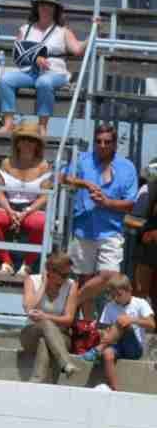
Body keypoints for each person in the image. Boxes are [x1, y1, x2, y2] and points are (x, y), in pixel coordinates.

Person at [64, 121, 137, 315]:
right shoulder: (83, 159)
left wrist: (107, 203)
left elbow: (131, 203)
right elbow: (65, 177)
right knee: (85, 280)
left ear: (114, 144)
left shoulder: (127, 167)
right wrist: (85, 183)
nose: (102, 145)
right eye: (98, 141)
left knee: (109, 276)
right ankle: (87, 329)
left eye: (107, 142)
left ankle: (70, 303)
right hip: (83, 228)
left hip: (111, 230)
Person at [0, 0, 86, 136]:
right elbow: (17, 53)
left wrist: (93, 36)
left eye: (49, 5)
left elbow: (78, 50)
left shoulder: (62, 31)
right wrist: (35, 58)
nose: (45, 8)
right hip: (29, 72)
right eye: (42, 4)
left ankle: (42, 126)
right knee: (6, 80)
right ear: (36, 7)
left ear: (55, 9)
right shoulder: (25, 29)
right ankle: (8, 123)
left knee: (44, 82)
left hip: (54, 72)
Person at [0, 120, 51, 276]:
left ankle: (27, 265)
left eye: (32, 139)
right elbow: (0, 192)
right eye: (24, 139)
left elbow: (45, 196)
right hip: (7, 207)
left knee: (43, 222)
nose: (27, 143)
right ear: (17, 143)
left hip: (31, 210)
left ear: (37, 144)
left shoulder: (44, 165)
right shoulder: (6, 163)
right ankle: (6, 262)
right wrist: (10, 210)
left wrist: (27, 211)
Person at [82, 274, 153, 390]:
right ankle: (115, 389)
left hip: (134, 348)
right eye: (113, 295)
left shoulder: (140, 303)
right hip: (116, 345)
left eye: (119, 295)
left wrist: (132, 319)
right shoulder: (110, 306)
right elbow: (103, 328)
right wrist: (104, 333)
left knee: (123, 320)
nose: (116, 298)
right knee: (107, 354)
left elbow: (151, 324)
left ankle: (98, 349)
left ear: (129, 290)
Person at [18, 250, 79, 383]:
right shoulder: (32, 280)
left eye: (69, 274)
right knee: (44, 324)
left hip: (61, 336)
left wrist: (44, 316)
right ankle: (66, 363)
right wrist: (43, 285)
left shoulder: (71, 285)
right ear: (50, 272)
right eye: (63, 275)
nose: (66, 278)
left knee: (44, 341)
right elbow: (28, 308)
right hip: (31, 332)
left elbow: (69, 319)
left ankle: (36, 381)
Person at [127, 159, 157, 300]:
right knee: (140, 294)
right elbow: (129, 220)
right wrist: (149, 232)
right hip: (147, 254)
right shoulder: (148, 191)